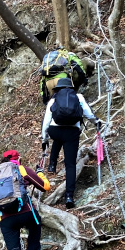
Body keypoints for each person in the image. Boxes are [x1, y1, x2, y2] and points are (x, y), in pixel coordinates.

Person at [40, 77, 98, 208]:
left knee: (57, 139)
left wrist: (44, 140)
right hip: (72, 132)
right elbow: (88, 114)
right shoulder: (78, 97)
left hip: (55, 130)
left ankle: (52, 164)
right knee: (70, 164)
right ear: (71, 88)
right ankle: (69, 197)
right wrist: (97, 122)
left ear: (58, 89)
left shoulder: (53, 100)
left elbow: (45, 123)